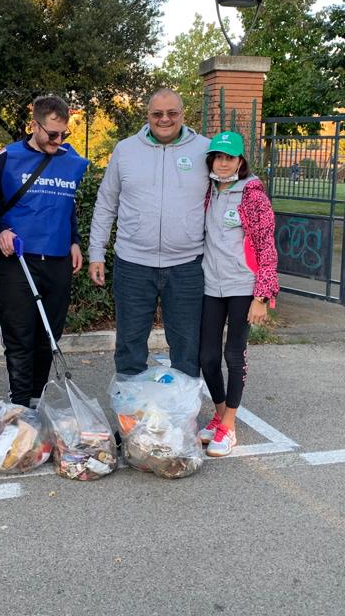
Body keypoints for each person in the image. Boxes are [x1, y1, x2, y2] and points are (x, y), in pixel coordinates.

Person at [88, 88, 210, 378]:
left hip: (187, 265)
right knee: (130, 346)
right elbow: (106, 203)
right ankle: (130, 419)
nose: (164, 119)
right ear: (148, 116)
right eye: (157, 113)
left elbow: (230, 193)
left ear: (183, 114)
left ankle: (182, 417)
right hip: (133, 264)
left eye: (172, 113)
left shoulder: (205, 150)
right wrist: (96, 253)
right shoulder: (126, 150)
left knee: (187, 347)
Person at [0, 95, 89, 407]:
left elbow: (68, 205)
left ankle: (36, 401)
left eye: (63, 134)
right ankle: (18, 408)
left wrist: (74, 240)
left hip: (57, 261)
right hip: (16, 261)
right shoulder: (7, 158)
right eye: (52, 134)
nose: (58, 141)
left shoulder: (72, 161)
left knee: (48, 336)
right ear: (34, 125)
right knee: (19, 339)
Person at [196, 131, 279, 457]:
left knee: (234, 355)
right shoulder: (209, 191)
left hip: (243, 287)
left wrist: (262, 296)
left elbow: (267, 247)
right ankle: (220, 415)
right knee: (207, 357)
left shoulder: (253, 196)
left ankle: (229, 427)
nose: (223, 162)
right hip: (210, 285)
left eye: (229, 157)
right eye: (218, 157)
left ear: (241, 161)